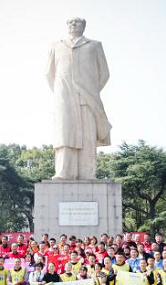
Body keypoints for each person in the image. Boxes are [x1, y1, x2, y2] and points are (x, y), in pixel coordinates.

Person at [46, 17, 112, 180]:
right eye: (70, 22)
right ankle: (63, 172)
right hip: (64, 97)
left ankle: (88, 173)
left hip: (88, 97)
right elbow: (49, 73)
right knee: (64, 134)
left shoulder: (95, 45)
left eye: (77, 22)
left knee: (88, 136)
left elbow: (104, 73)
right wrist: (61, 91)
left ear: (84, 26)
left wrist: (91, 89)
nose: (73, 25)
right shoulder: (56, 46)